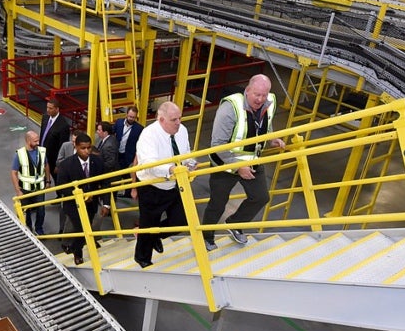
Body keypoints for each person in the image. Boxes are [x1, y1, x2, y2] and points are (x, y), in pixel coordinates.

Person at [201, 74, 285, 250]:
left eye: (264, 95)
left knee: (261, 197)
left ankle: (235, 223)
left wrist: (272, 138)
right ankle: (206, 236)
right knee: (218, 203)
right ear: (247, 90)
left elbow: (265, 123)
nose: (260, 99)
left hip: (252, 160)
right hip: (225, 163)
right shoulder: (229, 109)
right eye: (256, 94)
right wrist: (238, 166)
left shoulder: (269, 102)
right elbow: (217, 145)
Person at [133, 101, 194, 268]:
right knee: (148, 224)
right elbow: (149, 164)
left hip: (174, 184)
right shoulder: (148, 135)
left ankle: (154, 237)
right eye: (174, 119)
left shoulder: (182, 131)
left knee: (181, 221)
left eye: (180, 118)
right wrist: (171, 168)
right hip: (151, 186)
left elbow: (186, 152)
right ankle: (142, 258)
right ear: (161, 120)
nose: (178, 123)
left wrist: (190, 163)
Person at [55, 132, 107, 264]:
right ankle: (77, 254)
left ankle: (73, 247)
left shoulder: (98, 162)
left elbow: (106, 182)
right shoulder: (66, 165)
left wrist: (106, 204)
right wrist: (80, 196)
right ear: (76, 147)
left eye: (89, 148)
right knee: (81, 228)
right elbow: (61, 187)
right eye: (83, 148)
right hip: (73, 205)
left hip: (92, 204)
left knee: (86, 227)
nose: (87, 151)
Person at [11, 130, 48, 235]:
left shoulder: (42, 151)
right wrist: (18, 191)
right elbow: (13, 173)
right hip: (25, 188)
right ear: (28, 141)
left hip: (39, 187)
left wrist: (48, 181)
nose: (38, 143)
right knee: (24, 210)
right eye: (35, 141)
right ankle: (27, 228)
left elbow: (46, 165)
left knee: (41, 210)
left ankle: (38, 228)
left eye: (38, 140)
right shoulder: (20, 154)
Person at [40, 98, 71, 185]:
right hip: (42, 154)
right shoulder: (45, 118)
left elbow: (62, 146)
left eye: (50, 108)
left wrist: (58, 164)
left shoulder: (63, 125)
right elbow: (43, 134)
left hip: (53, 159)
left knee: (58, 179)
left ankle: (60, 195)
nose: (48, 110)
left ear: (57, 109)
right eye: (47, 107)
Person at [114, 106, 143, 197]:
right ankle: (114, 191)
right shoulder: (118, 122)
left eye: (133, 117)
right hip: (117, 153)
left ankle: (127, 193)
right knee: (116, 173)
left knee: (127, 175)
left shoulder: (139, 129)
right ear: (126, 114)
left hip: (129, 155)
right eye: (130, 116)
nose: (131, 119)